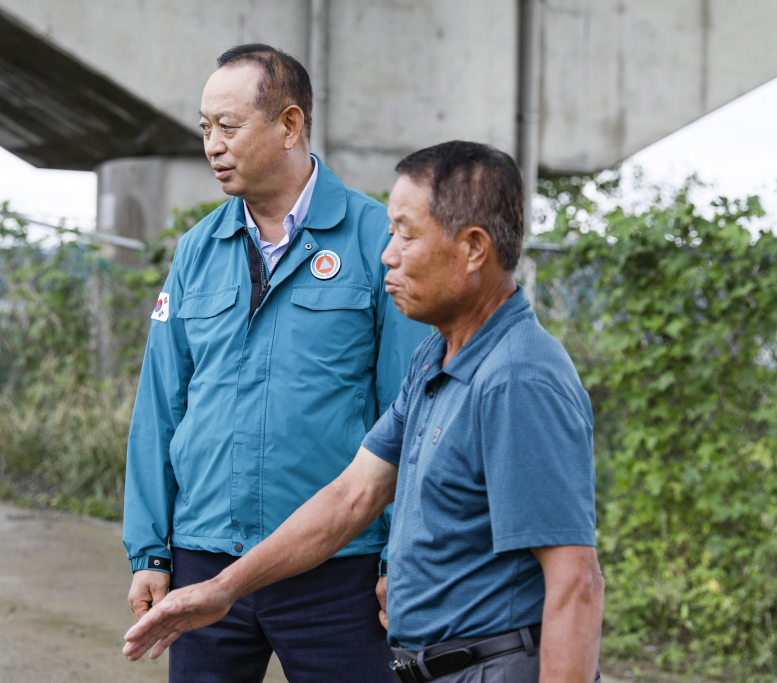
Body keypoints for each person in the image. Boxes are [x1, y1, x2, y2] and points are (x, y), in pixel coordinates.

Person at [123, 141, 606, 683]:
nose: (387, 254)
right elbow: (352, 496)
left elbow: (576, 585)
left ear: (472, 249)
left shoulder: (518, 378)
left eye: (406, 234)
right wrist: (222, 590)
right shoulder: (437, 357)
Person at [122, 43, 432, 683]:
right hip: (204, 560)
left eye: (228, 126)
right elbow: (159, 407)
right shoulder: (197, 250)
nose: (212, 145)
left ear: (290, 126)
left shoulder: (374, 240)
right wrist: (150, 551)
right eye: (205, 127)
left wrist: (398, 558)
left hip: (337, 570)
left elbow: (410, 413)